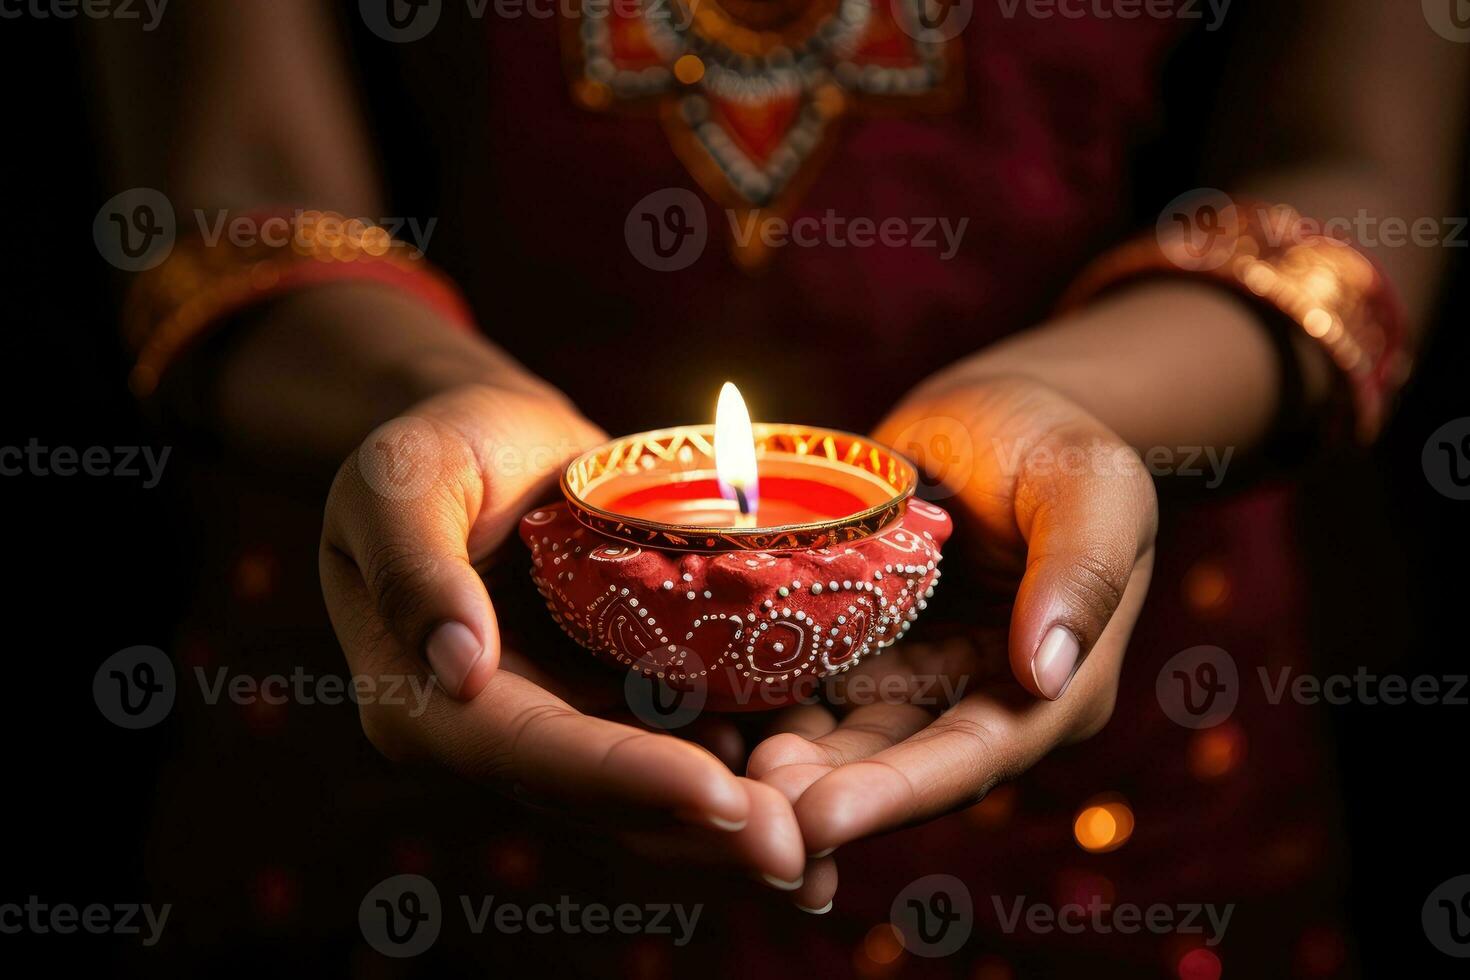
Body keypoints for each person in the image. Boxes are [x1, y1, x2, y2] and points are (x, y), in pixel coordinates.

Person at [93, 0, 1466, 972]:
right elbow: (228, 200)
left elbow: (1349, 174)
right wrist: (417, 410)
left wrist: (1073, 419)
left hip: (1097, 711)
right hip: (444, 620)